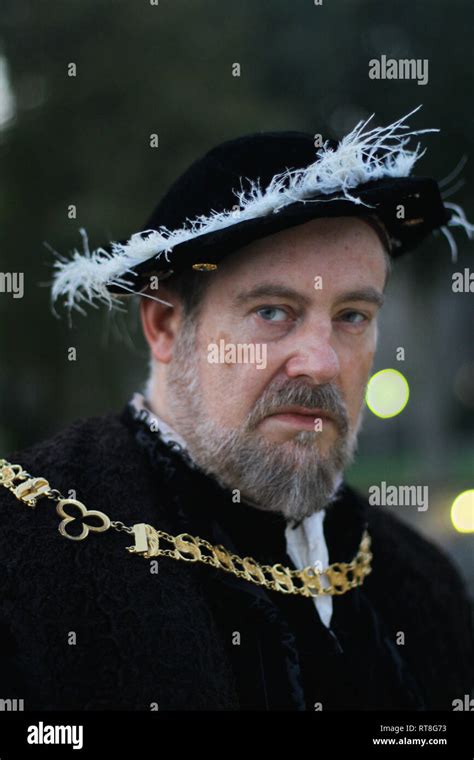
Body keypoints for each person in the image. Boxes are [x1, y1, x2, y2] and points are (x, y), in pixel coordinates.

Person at [0, 109, 472, 711]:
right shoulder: (21, 559)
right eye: (273, 311)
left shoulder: (425, 584)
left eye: (353, 316)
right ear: (167, 324)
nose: (323, 363)